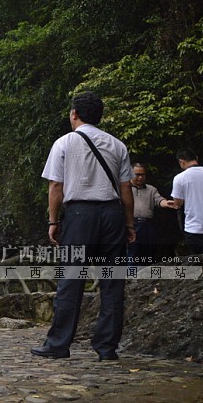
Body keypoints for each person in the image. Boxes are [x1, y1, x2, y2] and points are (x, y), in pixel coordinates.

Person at [31, 92, 135, 361]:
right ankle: (106, 348)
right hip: (112, 216)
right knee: (112, 283)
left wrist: (53, 221)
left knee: (71, 280)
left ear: (74, 114)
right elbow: (126, 189)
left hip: (79, 216)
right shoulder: (117, 145)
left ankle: (58, 345)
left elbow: (56, 186)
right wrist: (129, 223)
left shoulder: (64, 143)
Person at [128, 163, 176, 262]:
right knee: (131, 253)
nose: (140, 177)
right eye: (137, 174)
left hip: (147, 225)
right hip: (130, 224)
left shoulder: (151, 189)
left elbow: (159, 200)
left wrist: (167, 203)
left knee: (148, 253)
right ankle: (131, 276)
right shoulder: (124, 188)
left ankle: (146, 276)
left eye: (143, 174)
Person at [172, 148, 203, 255]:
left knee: (197, 263)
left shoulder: (179, 178)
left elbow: (178, 203)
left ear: (181, 161)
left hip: (193, 228)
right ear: (196, 159)